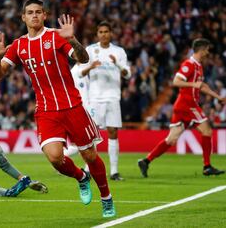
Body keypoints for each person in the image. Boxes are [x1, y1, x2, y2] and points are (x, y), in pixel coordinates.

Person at [0, 0, 115, 218]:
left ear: (45, 15)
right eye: (30, 12)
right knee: (55, 158)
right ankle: (81, 178)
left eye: (38, 12)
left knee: (90, 155)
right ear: (23, 17)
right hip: (46, 110)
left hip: (73, 106)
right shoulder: (19, 45)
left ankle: (106, 199)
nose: (34, 15)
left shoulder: (56, 36)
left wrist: (74, 40)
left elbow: (82, 58)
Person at [138, 38, 226, 178]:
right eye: (207, 49)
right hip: (187, 104)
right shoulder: (188, 64)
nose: (208, 52)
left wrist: (217, 96)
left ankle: (146, 161)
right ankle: (207, 166)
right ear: (201, 50)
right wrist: (193, 85)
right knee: (207, 130)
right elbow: (176, 81)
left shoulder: (199, 66)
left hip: (184, 106)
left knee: (171, 139)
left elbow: (201, 86)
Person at [76, 21, 131, 181]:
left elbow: (127, 74)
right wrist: (90, 67)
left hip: (113, 97)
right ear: (97, 34)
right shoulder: (90, 50)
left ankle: (114, 171)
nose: (104, 34)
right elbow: (80, 73)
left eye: (106, 31)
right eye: (101, 32)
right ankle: (88, 169)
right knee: (93, 135)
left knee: (113, 132)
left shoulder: (118, 51)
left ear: (111, 33)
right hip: (95, 97)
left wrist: (118, 64)